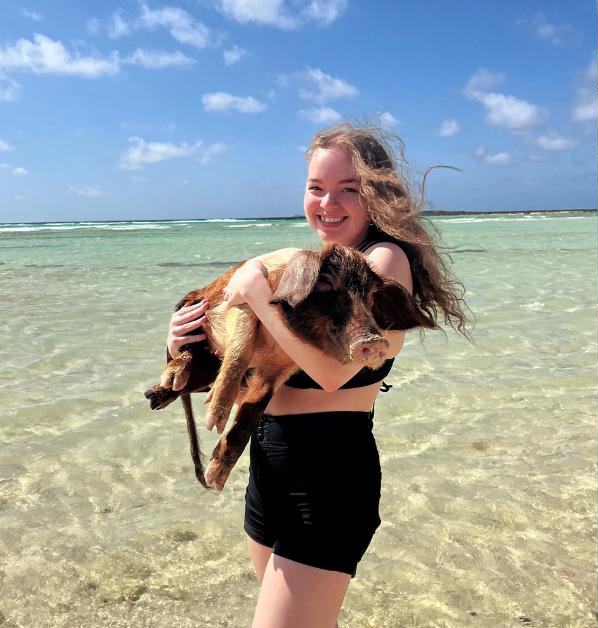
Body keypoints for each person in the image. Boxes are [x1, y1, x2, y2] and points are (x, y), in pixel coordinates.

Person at [166, 120, 470, 628]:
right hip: (270, 465)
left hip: (330, 477)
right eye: (316, 188)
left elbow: (334, 375)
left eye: (348, 189)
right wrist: (184, 343)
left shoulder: (381, 261)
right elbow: (261, 372)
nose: (328, 203)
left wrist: (259, 297)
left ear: (377, 194)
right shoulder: (310, 269)